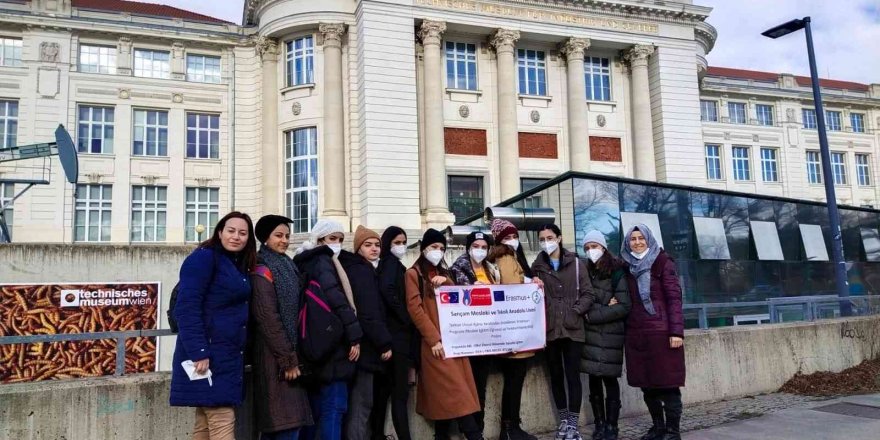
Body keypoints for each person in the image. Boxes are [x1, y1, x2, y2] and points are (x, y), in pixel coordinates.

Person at [170, 211, 257, 440]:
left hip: (226, 357)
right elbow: (186, 307)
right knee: (221, 420)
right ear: (220, 232)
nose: (236, 237)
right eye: (231, 231)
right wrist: (199, 351)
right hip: (208, 357)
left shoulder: (236, 264)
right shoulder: (204, 258)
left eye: (243, 233)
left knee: (204, 425)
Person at [406, 228, 483, 440]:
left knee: (446, 397)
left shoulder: (445, 273)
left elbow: (457, 299)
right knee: (457, 394)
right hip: (435, 345)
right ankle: (475, 436)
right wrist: (433, 339)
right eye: (433, 247)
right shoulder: (413, 274)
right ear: (423, 249)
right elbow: (415, 309)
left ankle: (441, 436)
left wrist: (447, 283)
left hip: (454, 341)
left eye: (441, 248)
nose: (438, 251)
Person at [294, 220, 363, 440]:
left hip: (313, 346)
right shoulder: (324, 260)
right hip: (334, 347)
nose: (338, 244)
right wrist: (355, 336)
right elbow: (337, 300)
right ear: (320, 239)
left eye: (341, 239)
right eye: (332, 238)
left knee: (314, 412)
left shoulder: (304, 261)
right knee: (334, 409)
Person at [250, 214, 313, 440]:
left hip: (289, 355)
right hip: (275, 358)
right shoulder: (262, 268)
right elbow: (268, 317)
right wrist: (287, 360)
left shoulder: (286, 264)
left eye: (287, 236)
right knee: (285, 426)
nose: (285, 240)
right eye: (278, 235)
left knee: (284, 425)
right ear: (265, 238)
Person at [620, 225, 685, 440]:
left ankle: (672, 431)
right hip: (638, 334)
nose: (637, 242)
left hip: (662, 333)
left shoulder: (663, 262)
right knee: (647, 385)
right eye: (633, 239)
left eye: (641, 238)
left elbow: (674, 299)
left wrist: (676, 332)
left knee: (668, 384)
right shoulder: (627, 266)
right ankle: (658, 427)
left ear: (649, 239)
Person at [530, 224, 593, 440]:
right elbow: (530, 295)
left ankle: (573, 425)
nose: (546, 241)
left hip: (573, 329)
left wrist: (574, 312)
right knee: (556, 376)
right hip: (549, 330)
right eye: (542, 238)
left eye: (550, 237)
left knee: (572, 376)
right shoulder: (537, 266)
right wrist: (532, 283)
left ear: (559, 238)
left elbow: (588, 294)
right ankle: (563, 421)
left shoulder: (576, 264)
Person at [485, 219, 543, 440]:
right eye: (509, 237)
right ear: (501, 240)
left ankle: (511, 427)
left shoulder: (502, 257)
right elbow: (513, 290)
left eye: (514, 236)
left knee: (514, 380)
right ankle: (509, 429)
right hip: (515, 332)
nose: (513, 240)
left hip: (510, 331)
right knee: (514, 380)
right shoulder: (507, 258)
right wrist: (529, 284)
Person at [339, 226, 393, 440]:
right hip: (367, 350)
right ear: (358, 248)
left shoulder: (360, 268)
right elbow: (368, 313)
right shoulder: (361, 271)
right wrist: (384, 342)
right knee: (362, 406)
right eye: (367, 245)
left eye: (377, 245)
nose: (374, 249)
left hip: (362, 347)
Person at [580, 230, 631, 440]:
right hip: (590, 336)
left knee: (610, 380)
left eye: (595, 246)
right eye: (587, 248)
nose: (591, 251)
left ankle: (612, 425)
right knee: (594, 380)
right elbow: (581, 297)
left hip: (610, 334)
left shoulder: (617, 271)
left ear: (603, 247)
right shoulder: (584, 270)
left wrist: (592, 315)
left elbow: (624, 306)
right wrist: (604, 304)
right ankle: (599, 424)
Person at [448, 231, 498, 432]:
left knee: (481, 386)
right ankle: (469, 430)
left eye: (484, 247)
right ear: (468, 247)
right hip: (467, 338)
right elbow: (452, 298)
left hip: (487, 336)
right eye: (476, 246)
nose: (480, 250)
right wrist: (469, 289)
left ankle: (479, 428)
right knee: (467, 386)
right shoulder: (457, 269)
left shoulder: (491, 269)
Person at [371, 226, 415, 440]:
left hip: (391, 338)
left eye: (404, 242)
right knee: (399, 394)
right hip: (397, 338)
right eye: (397, 242)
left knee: (384, 392)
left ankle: (378, 434)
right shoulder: (391, 265)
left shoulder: (390, 264)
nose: (401, 246)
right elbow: (388, 290)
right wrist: (405, 316)